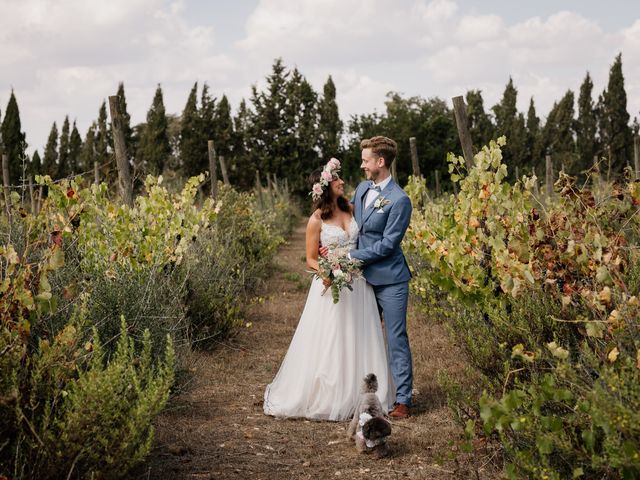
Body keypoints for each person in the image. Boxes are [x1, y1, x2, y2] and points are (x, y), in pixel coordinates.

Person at [263, 158, 394, 421]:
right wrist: (328, 274)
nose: (342, 181)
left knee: (361, 334)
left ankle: (366, 393)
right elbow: (311, 257)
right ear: (324, 186)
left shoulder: (353, 209)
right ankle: (333, 393)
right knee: (335, 338)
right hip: (333, 284)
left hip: (358, 283)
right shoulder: (316, 220)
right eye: (336, 179)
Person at [349, 136, 413, 419]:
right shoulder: (362, 189)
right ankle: (364, 392)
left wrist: (354, 257)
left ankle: (403, 400)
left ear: (380, 162)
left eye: (366, 160)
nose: (362, 165)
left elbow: (389, 244)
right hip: (362, 278)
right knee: (363, 335)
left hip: (391, 280)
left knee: (395, 337)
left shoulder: (400, 200)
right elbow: (353, 224)